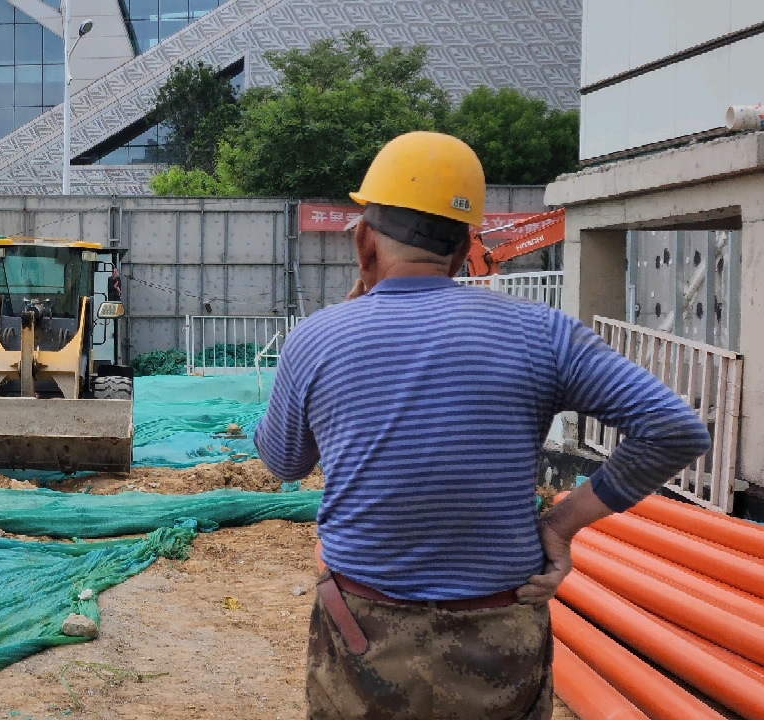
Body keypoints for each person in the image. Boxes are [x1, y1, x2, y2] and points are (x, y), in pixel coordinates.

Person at [253, 131, 711, 720]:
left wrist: (315, 361)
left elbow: (283, 461)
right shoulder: (542, 333)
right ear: (466, 245)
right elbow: (675, 430)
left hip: (363, 635)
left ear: (365, 240)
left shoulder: (319, 337)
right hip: (498, 636)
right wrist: (562, 524)